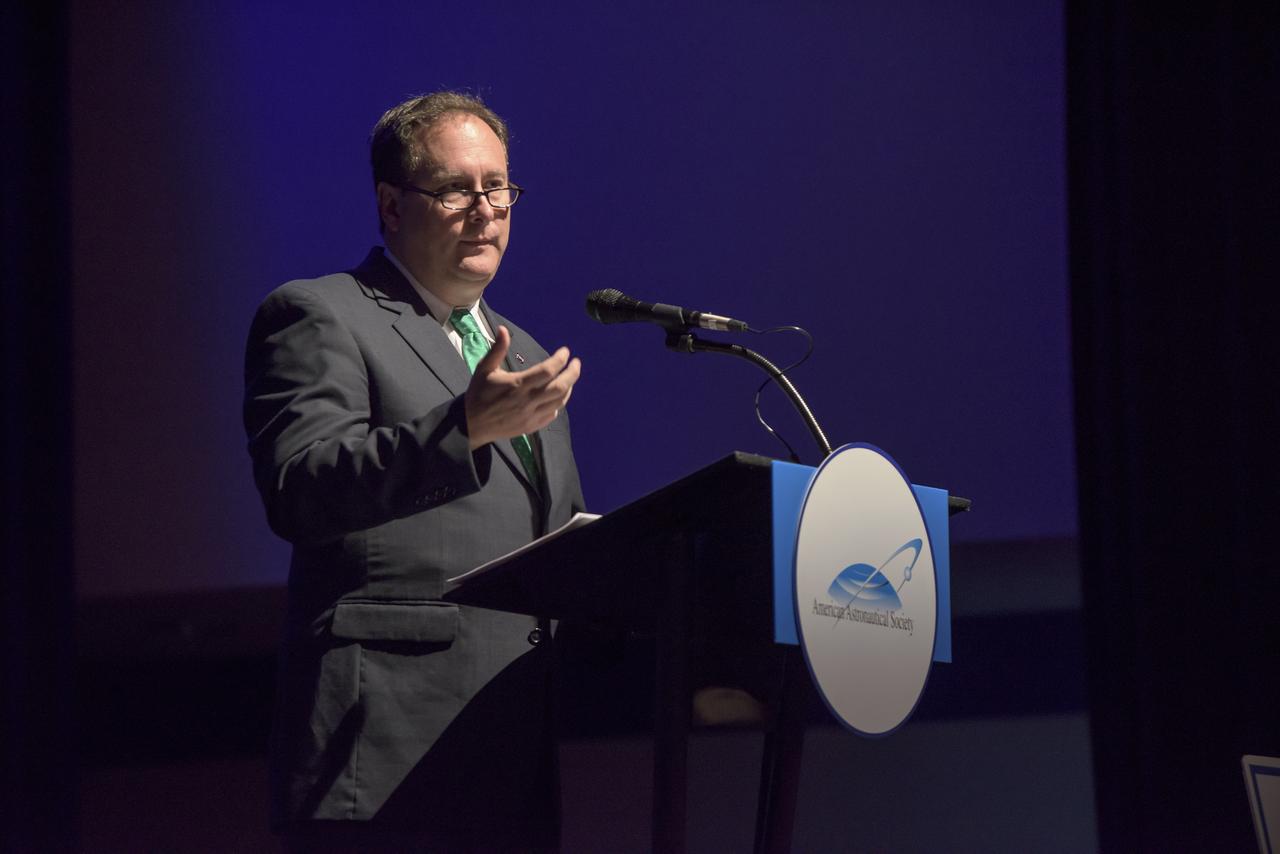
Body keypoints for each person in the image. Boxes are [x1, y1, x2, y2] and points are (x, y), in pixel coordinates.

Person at [243, 91, 584, 852]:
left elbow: (556, 547)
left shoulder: (520, 351)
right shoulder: (320, 314)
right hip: (381, 748)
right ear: (392, 205)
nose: (486, 209)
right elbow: (301, 487)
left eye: (498, 186)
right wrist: (462, 428)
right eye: (456, 189)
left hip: (512, 750)